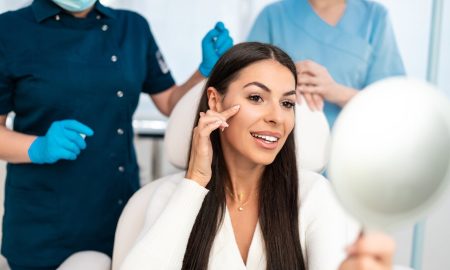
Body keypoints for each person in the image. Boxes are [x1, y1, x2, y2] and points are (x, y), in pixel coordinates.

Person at [120, 42, 395, 270]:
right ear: (215, 101)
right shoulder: (171, 195)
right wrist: (195, 182)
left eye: (287, 103)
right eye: (256, 98)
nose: (277, 117)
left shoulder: (314, 195)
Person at [0, 0, 232, 268]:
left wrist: (204, 71)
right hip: (44, 222)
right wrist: (38, 147)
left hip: (117, 208)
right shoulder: (10, 30)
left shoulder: (132, 27)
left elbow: (170, 102)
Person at [247, 0, 405, 128]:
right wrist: (284, 81)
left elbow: (390, 105)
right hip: (281, 149)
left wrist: (337, 92)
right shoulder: (273, 16)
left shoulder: (375, 17)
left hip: (352, 151)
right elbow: (247, 87)